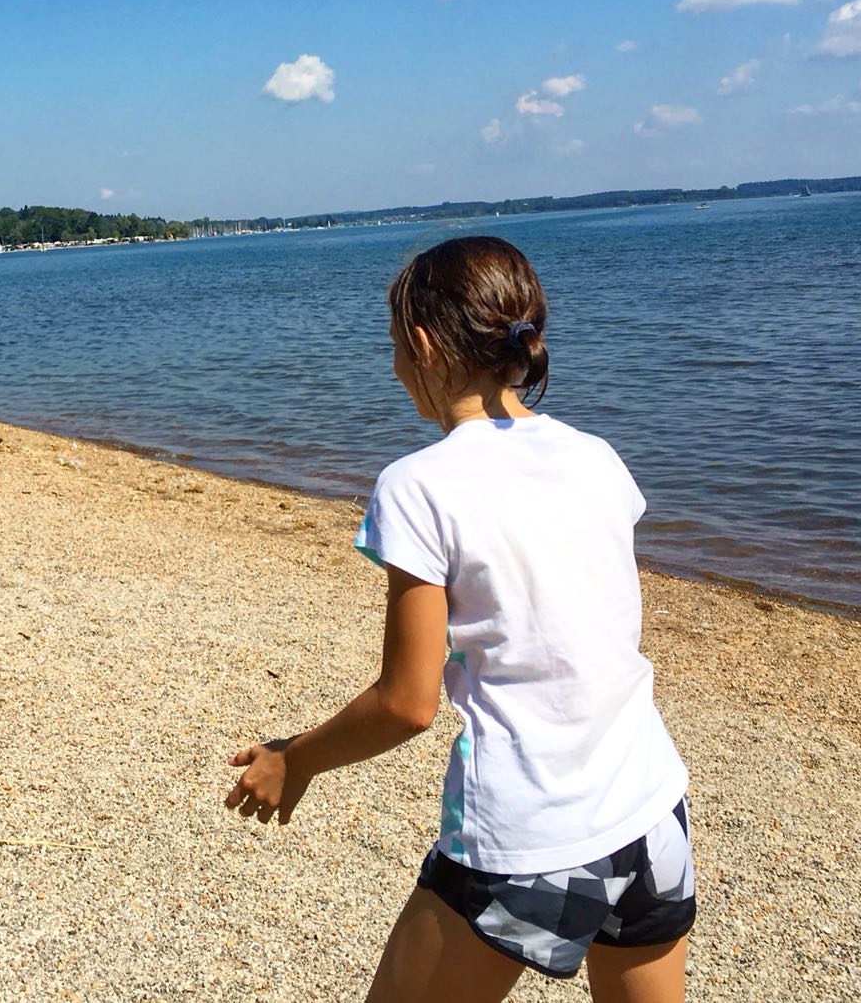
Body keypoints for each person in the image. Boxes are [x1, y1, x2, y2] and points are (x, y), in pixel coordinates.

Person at [225, 237, 693, 1003]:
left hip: (528, 835)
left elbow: (407, 703)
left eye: (393, 347)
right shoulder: (598, 456)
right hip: (650, 811)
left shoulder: (419, 486)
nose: (393, 370)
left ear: (423, 344)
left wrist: (295, 757)